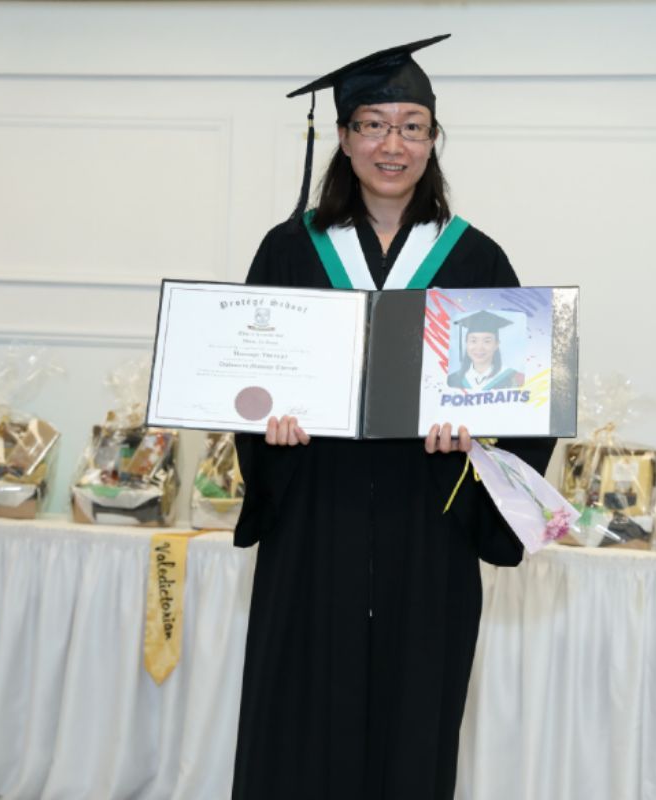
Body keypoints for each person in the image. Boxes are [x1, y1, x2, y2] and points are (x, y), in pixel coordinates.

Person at [231, 34, 554, 800]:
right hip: (315, 520)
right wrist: (269, 428)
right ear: (343, 139)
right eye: (373, 125)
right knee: (300, 714)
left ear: (433, 139)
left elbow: (523, 402)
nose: (392, 144)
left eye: (412, 126)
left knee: (416, 717)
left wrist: (475, 442)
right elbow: (247, 377)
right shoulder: (289, 250)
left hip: (426, 527)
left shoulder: (475, 258)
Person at [446, 309, 526, 390]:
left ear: (496, 344)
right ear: (466, 343)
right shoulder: (454, 379)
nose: (479, 347)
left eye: (487, 341)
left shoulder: (514, 378)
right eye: (473, 341)